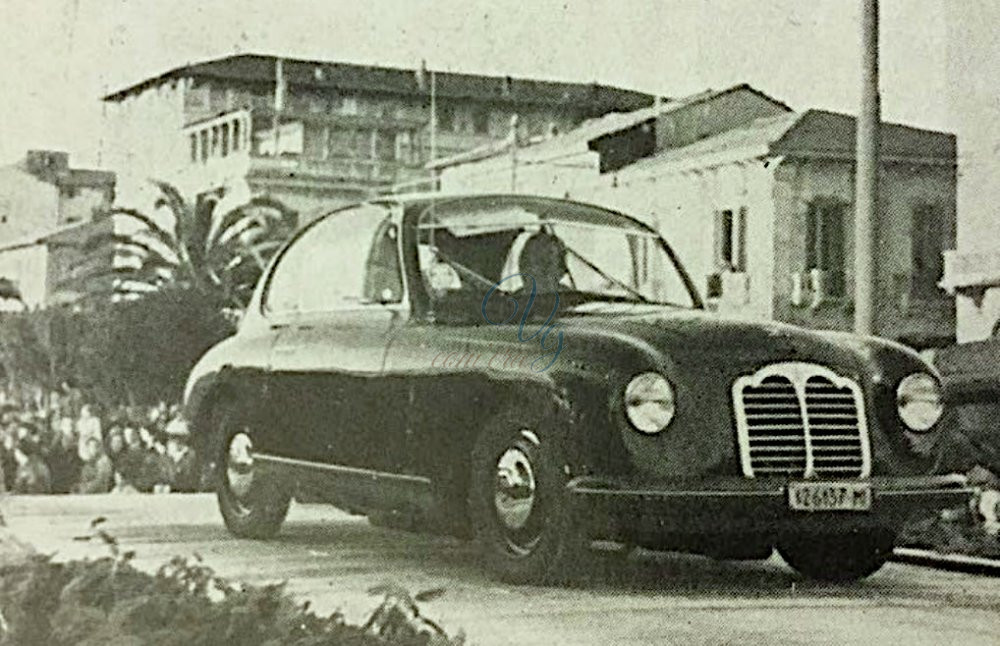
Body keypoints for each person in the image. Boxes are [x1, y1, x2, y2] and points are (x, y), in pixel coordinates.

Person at [164, 417, 199, 493]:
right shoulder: (166, 456)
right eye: (172, 437)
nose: (176, 440)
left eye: (179, 437)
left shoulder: (190, 454)